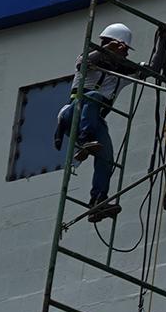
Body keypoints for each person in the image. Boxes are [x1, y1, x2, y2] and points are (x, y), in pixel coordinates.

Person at [53, 22, 143, 221]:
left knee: (107, 156)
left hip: (96, 123)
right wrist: (110, 49)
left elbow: (150, 69)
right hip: (73, 115)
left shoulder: (121, 76)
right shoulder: (88, 62)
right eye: (123, 49)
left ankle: (98, 201)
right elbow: (87, 60)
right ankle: (84, 142)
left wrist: (162, 39)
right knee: (94, 96)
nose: (125, 54)